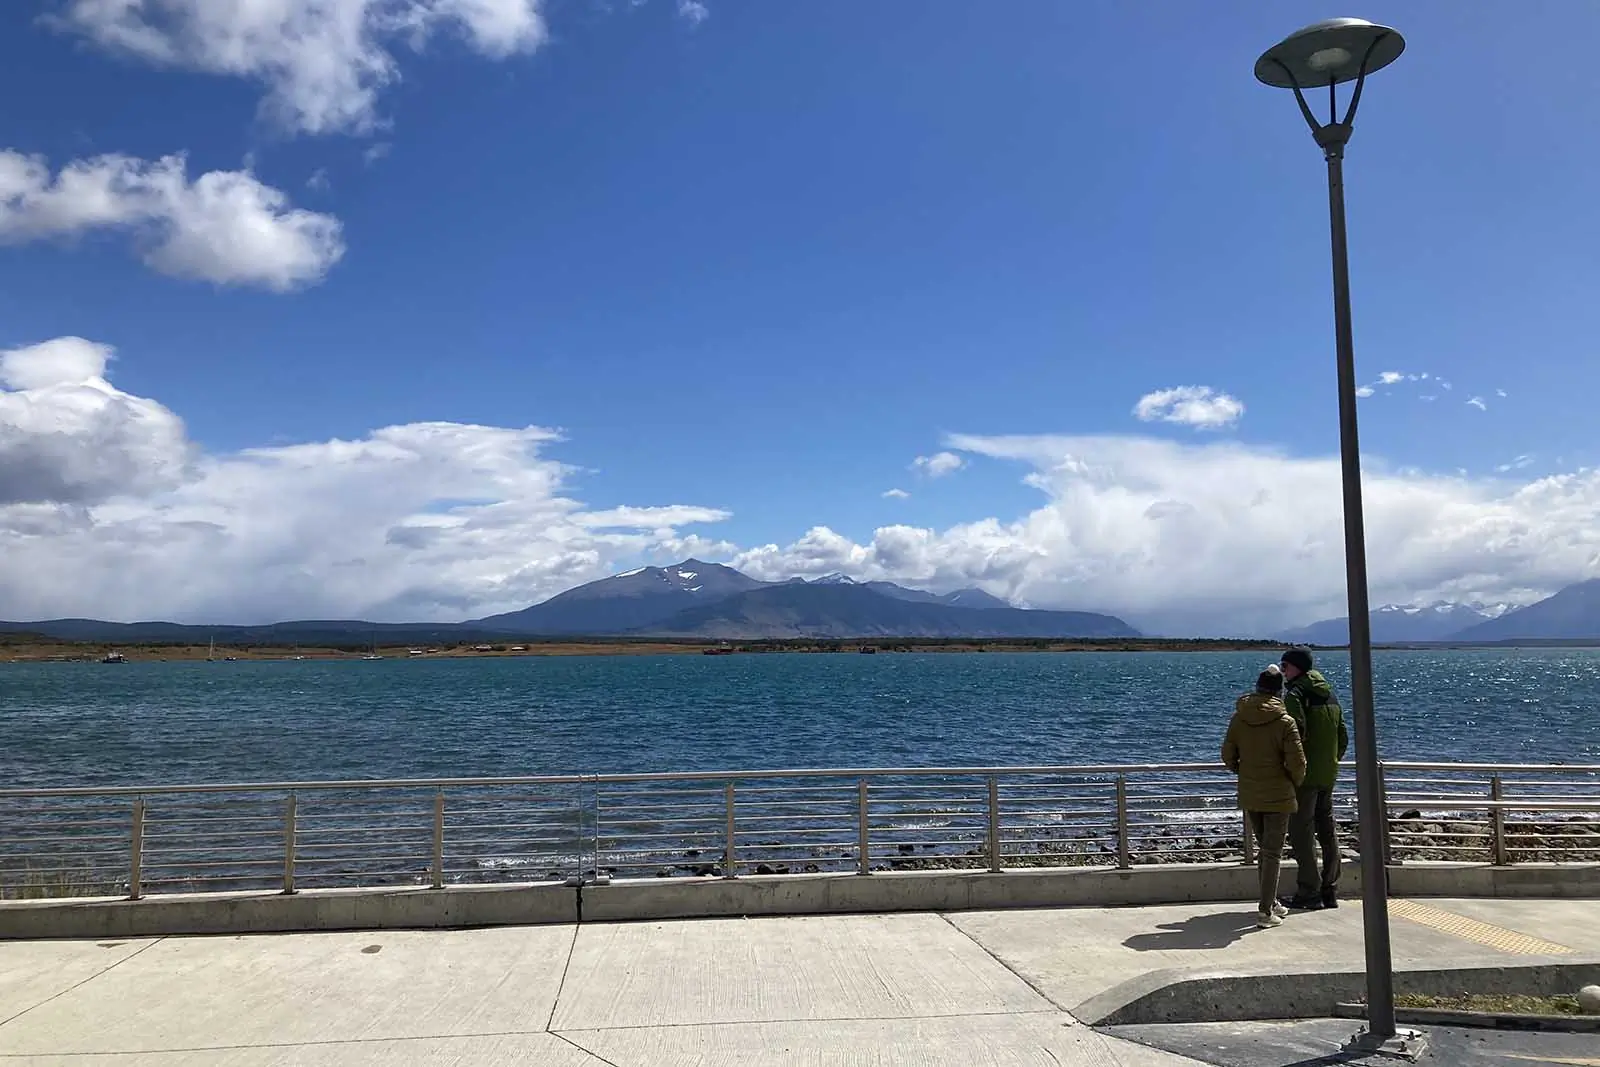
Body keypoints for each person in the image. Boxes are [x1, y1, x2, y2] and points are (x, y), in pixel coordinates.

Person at [1222, 664, 1307, 929]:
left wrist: (1243, 771)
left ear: (1257, 688)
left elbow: (1227, 755)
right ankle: (1265, 909)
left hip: (1250, 791)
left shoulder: (1239, 718)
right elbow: (1298, 763)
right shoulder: (1285, 722)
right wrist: (1292, 783)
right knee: (1272, 853)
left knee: (1265, 851)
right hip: (1278, 794)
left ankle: (1271, 901)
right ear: (1279, 692)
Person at [1279, 647, 1350, 910]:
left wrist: (1291, 767)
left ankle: (1309, 891)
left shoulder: (1296, 695)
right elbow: (1343, 735)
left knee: (1301, 833)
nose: (1283, 671)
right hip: (1328, 773)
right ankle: (1330, 888)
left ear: (1297, 668)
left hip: (1305, 776)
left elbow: (1294, 734)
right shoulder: (1330, 694)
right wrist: (1331, 761)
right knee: (1328, 830)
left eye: (1285, 666)